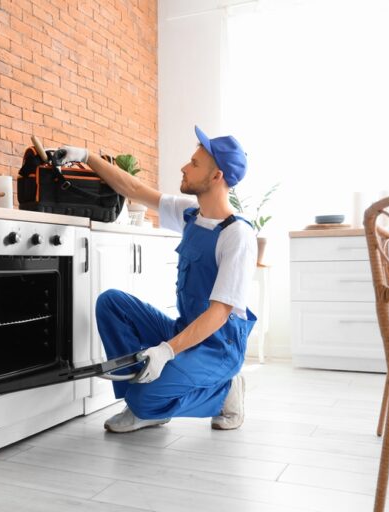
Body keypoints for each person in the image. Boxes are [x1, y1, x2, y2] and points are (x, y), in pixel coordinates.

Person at [54, 126, 257, 433]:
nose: (184, 167)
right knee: (112, 303)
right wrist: (86, 157)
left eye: (195, 163)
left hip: (218, 348)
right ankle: (143, 403)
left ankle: (224, 394)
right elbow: (133, 189)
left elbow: (219, 314)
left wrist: (165, 351)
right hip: (185, 330)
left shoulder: (236, 235)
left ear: (217, 177)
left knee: (146, 397)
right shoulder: (191, 212)